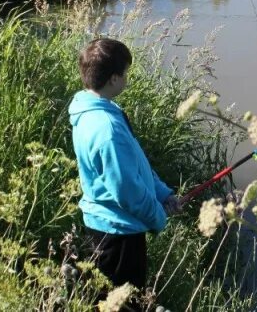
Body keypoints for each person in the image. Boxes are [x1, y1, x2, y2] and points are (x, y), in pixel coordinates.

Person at [69, 38, 182, 301]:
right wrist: (157, 216)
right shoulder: (106, 129)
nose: (127, 78)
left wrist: (163, 194)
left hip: (108, 225)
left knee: (108, 297)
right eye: (125, 74)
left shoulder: (92, 110)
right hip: (118, 233)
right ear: (113, 79)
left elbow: (135, 164)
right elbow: (126, 190)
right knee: (123, 302)